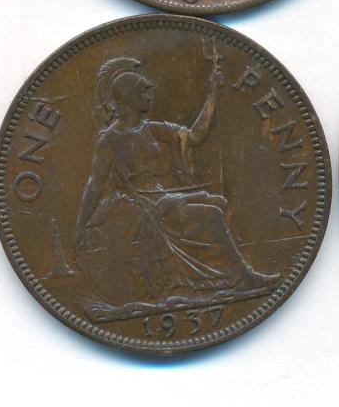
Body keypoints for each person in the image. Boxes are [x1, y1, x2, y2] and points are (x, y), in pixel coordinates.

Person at [73, 56, 278, 301]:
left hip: (160, 197)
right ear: (128, 97)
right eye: (142, 91)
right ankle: (243, 278)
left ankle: (224, 277)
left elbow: (194, 136)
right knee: (212, 213)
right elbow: (94, 184)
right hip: (138, 206)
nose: (149, 95)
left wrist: (213, 94)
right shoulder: (110, 139)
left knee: (218, 202)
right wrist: (81, 225)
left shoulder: (151, 128)